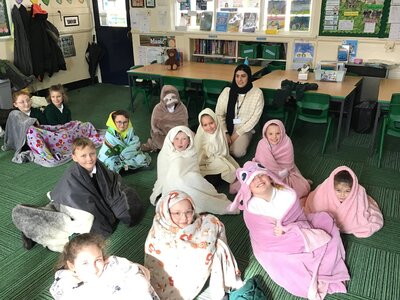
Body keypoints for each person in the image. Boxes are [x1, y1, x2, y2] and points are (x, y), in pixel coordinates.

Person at [229, 161, 350, 299]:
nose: (259, 180)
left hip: (298, 228)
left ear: (270, 177)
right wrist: (290, 235)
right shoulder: (251, 210)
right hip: (272, 247)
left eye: (261, 176)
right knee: (289, 264)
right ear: (248, 188)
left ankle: (310, 249)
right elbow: (265, 238)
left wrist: (292, 229)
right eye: (253, 180)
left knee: (325, 220)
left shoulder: (286, 194)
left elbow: (299, 217)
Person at [12, 138, 144, 252]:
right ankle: (34, 232)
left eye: (92, 154)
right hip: (70, 203)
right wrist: (104, 214)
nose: (89, 159)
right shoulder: (73, 174)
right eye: (83, 156)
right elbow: (79, 198)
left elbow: (109, 184)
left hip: (86, 200)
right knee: (80, 227)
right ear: (74, 157)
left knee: (124, 211)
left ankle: (37, 228)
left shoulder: (99, 166)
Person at [145, 190, 243, 300]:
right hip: (173, 281)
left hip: (200, 262)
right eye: (177, 213)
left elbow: (210, 233)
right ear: (166, 212)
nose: (184, 218)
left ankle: (220, 289)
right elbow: (158, 263)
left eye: (188, 212)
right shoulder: (158, 233)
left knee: (219, 247)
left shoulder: (201, 222)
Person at [150, 125, 238, 215]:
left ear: (189, 141)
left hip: (190, 179)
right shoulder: (165, 154)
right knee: (179, 182)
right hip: (171, 183)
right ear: (171, 140)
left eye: (184, 139)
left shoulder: (191, 152)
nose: (180, 142)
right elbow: (163, 173)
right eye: (176, 139)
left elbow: (194, 170)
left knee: (197, 186)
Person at [2, 91, 103, 167]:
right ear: (15, 104)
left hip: (46, 135)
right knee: (35, 131)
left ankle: (84, 130)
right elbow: (16, 131)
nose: (26, 104)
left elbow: (46, 127)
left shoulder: (37, 112)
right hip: (32, 140)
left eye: (28, 100)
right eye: (22, 102)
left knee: (70, 130)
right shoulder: (15, 115)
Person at [50, 233, 160, 299]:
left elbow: (138, 277)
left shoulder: (115, 266)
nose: (93, 269)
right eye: (85, 263)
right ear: (72, 265)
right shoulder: (65, 286)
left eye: (97, 260)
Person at [304, 166, 384, 238]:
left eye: (347, 191)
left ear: (353, 190)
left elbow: (360, 211)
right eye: (338, 190)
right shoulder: (326, 190)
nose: (342, 195)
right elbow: (318, 203)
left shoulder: (358, 193)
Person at [215, 64, 264, 158]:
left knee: (238, 152)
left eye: (243, 76)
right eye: (237, 76)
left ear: (249, 77)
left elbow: (254, 119)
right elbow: (219, 114)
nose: (239, 79)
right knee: (217, 146)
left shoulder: (257, 94)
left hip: (244, 128)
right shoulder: (227, 91)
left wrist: (236, 135)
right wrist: (225, 132)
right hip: (226, 124)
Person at [254, 119, 311, 198]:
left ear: (282, 132)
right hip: (266, 170)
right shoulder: (262, 144)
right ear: (265, 134)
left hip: (286, 170)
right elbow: (265, 162)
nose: (274, 137)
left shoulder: (286, 141)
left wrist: (284, 172)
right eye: (270, 134)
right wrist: (278, 173)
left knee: (302, 189)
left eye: (278, 133)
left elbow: (289, 162)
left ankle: (301, 181)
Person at [194, 108, 240, 189]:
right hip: (207, 160)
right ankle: (231, 181)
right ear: (201, 126)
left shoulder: (220, 131)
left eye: (211, 123)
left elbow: (224, 149)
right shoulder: (201, 136)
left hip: (219, 157)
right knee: (225, 167)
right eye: (205, 125)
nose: (209, 127)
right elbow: (200, 154)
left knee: (231, 165)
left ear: (215, 121)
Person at [142, 85, 188, 152]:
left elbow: (184, 123)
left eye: (173, 97)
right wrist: (155, 129)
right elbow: (153, 122)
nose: (170, 100)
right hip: (162, 133)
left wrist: (181, 133)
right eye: (167, 98)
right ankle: (152, 144)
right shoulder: (158, 108)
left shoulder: (182, 108)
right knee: (159, 142)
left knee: (183, 143)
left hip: (176, 134)